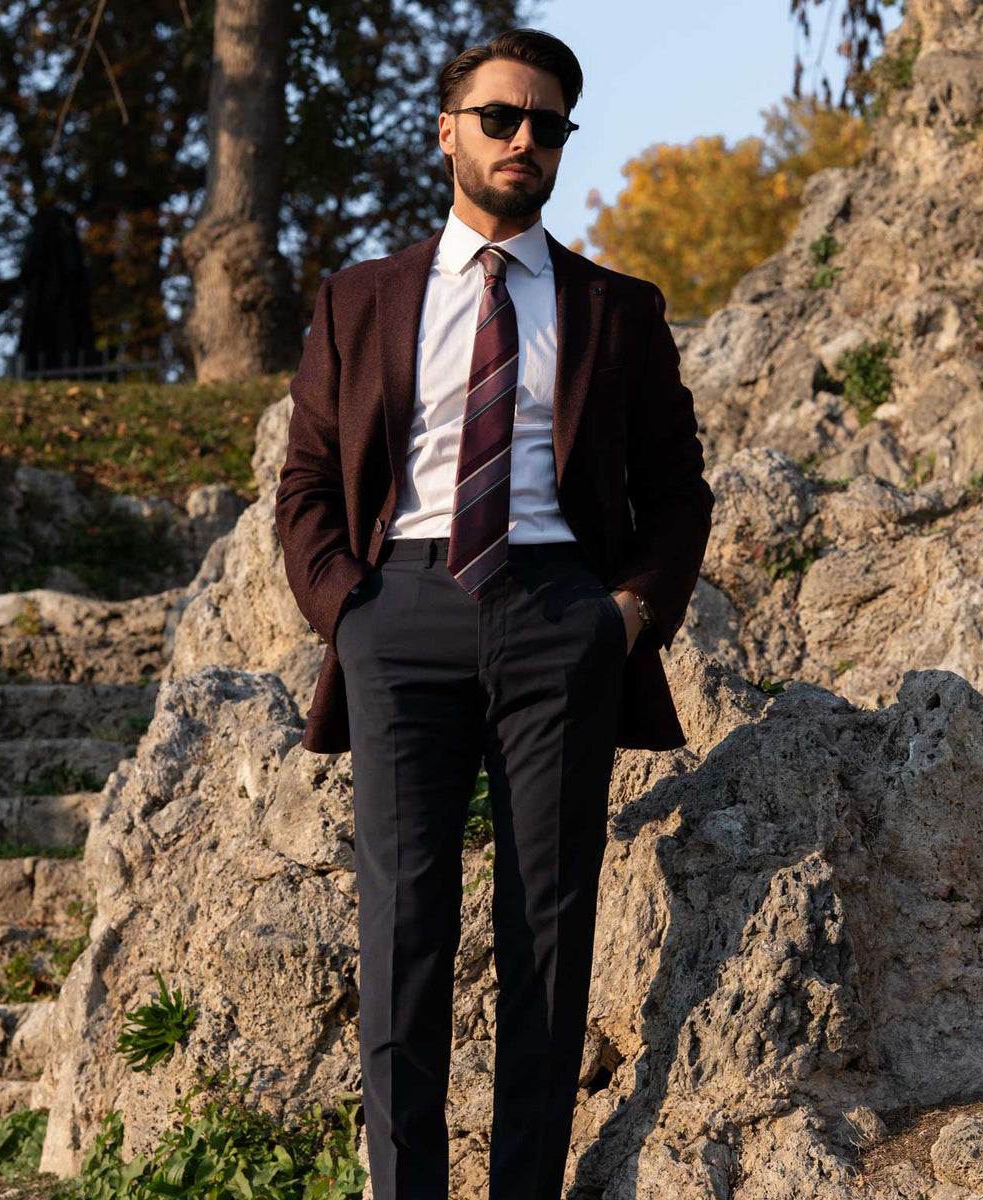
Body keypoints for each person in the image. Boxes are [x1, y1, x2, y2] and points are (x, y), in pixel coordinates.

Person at [275, 26, 713, 1200]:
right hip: (401, 609)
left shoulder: (618, 308)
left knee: (548, 933)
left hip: (559, 613)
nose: (527, 139)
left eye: (549, 124)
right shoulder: (361, 298)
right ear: (447, 131)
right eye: (502, 117)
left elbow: (677, 493)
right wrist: (346, 615)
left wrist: (623, 615)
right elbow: (309, 482)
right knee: (404, 926)